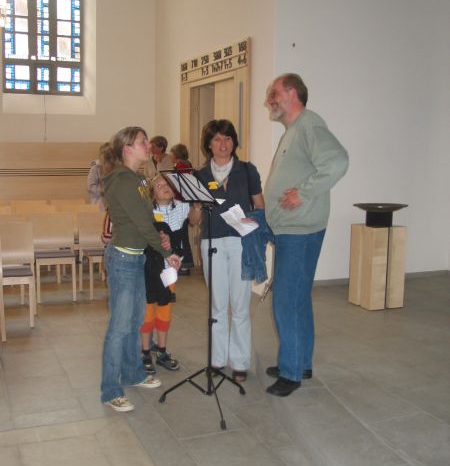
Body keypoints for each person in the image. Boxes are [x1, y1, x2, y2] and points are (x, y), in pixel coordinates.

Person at [264, 73, 349, 397]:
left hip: (300, 230)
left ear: (292, 93)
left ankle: (291, 373)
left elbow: (337, 161)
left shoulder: (309, 125)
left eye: (274, 93)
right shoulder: (294, 129)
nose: (269, 100)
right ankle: (300, 362)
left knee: (286, 301)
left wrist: (303, 193)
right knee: (297, 299)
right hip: (292, 230)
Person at [100, 127, 181, 412]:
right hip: (123, 260)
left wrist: (161, 236)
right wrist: (167, 252)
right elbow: (141, 223)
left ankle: (134, 373)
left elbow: (148, 219)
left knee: (134, 321)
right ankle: (111, 390)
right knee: (119, 327)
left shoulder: (136, 179)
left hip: (136, 258)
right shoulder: (122, 181)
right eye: (142, 142)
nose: (148, 145)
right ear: (127, 149)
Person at [191, 119, 264, 382]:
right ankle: (217, 360)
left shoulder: (247, 170)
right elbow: (193, 221)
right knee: (217, 304)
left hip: (240, 242)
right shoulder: (200, 175)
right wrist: (196, 207)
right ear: (209, 144)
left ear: (234, 142)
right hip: (211, 242)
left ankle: (240, 362)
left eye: (228, 138)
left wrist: (252, 219)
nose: (223, 144)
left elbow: (260, 206)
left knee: (240, 305)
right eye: (217, 139)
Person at [140, 174, 197, 373]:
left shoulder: (181, 207)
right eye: (159, 185)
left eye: (167, 184)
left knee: (165, 309)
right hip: (149, 268)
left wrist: (197, 206)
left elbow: (195, 219)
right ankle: (145, 352)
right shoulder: (146, 210)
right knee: (147, 311)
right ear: (152, 194)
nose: (165, 187)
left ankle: (162, 351)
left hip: (170, 269)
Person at [86, 141, 110, 210]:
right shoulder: (95, 168)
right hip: (98, 203)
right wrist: (103, 191)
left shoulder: (116, 168)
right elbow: (90, 187)